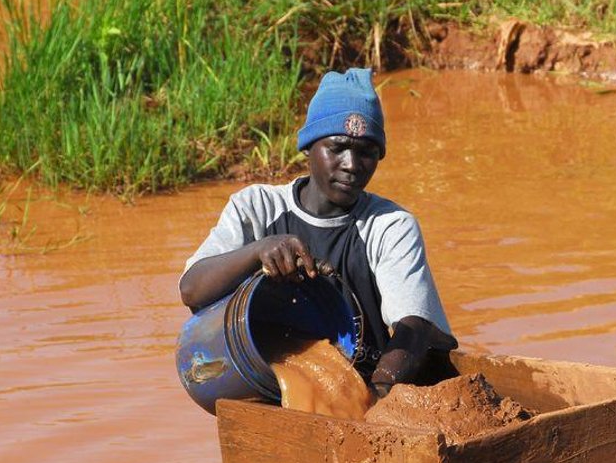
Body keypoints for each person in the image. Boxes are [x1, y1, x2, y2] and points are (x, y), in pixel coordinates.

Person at [179, 68, 456, 399]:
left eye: (366, 151)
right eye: (337, 147)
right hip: (267, 386)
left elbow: (415, 325)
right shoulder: (257, 208)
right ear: (308, 147)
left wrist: (376, 394)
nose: (352, 164)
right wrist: (258, 251)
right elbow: (192, 290)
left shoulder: (389, 225)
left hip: (366, 381)